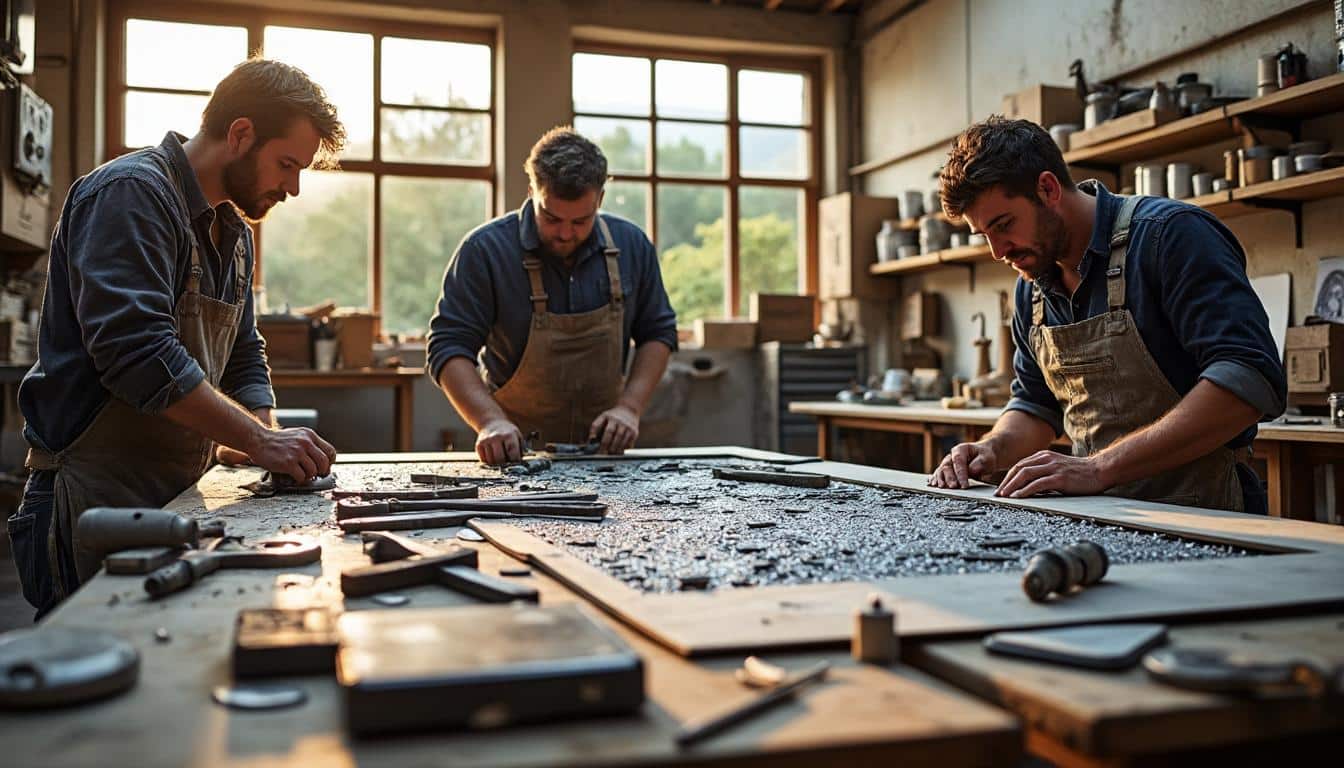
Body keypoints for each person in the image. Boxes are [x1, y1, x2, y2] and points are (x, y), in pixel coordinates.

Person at [9, 58, 345, 617]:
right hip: (94, 495)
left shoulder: (233, 232)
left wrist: (264, 439)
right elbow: (137, 353)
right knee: (97, 659)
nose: (292, 187)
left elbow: (243, 354)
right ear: (240, 134)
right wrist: (260, 441)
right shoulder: (130, 195)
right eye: (287, 165)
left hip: (178, 491)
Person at [928, 117, 1284, 514]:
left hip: (1207, 513)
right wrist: (992, 449)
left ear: (1047, 189)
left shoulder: (1170, 236)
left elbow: (1249, 377)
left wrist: (1098, 469)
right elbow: (1035, 405)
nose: (998, 251)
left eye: (1004, 225)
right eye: (985, 236)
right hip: (1098, 513)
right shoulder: (1032, 288)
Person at [428, 127, 677, 465]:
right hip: (514, 456)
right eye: (551, 217)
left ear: (600, 199)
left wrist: (629, 408)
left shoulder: (632, 245)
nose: (565, 233)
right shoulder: (485, 250)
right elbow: (448, 345)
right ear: (532, 191)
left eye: (581, 221)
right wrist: (489, 421)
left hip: (605, 456)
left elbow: (658, 333)